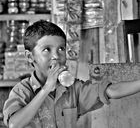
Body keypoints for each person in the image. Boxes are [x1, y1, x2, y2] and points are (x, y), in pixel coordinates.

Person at [3, 20, 140, 128]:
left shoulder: (73, 89)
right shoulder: (22, 91)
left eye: (61, 49)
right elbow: (14, 124)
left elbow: (111, 90)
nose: (56, 56)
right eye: (46, 49)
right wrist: (46, 89)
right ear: (29, 57)